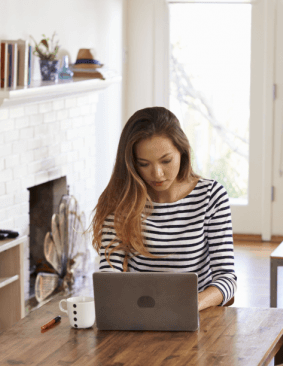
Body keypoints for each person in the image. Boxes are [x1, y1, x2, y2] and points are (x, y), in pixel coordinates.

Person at [90, 106, 237, 311]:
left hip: (197, 317)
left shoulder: (211, 196)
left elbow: (227, 279)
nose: (157, 174)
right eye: (144, 164)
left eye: (166, 161)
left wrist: (190, 305)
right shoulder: (122, 201)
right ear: (132, 163)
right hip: (139, 315)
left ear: (182, 151)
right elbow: (109, 276)